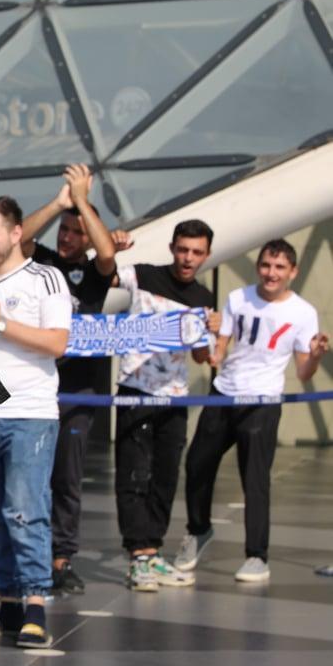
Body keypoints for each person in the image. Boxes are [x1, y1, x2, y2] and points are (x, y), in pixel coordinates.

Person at [177, 240, 327, 583]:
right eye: (265, 265)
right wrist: (205, 335)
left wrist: (317, 354)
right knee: (197, 463)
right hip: (224, 394)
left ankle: (257, 556)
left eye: (279, 267)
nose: (271, 273)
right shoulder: (238, 298)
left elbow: (304, 372)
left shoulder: (303, 312)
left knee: (255, 479)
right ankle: (199, 531)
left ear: (293, 272)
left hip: (262, 402)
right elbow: (217, 354)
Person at [0, 197, 71, 649]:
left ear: (15, 233)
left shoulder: (45, 277)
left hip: (30, 414)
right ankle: (8, 604)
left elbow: (58, 343)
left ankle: (36, 607)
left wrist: (2, 323)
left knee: (25, 512)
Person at [16, 164, 126, 596]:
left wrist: (82, 202)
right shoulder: (43, 264)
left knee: (66, 476)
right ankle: (25, 553)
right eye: (64, 230)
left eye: (76, 232)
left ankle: (61, 557)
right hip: (34, 386)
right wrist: (59, 204)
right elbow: (19, 238)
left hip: (79, 394)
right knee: (28, 476)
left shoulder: (95, 274)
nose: (67, 237)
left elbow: (108, 255)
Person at [114, 220, 216, 592]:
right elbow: (103, 274)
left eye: (197, 252)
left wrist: (210, 331)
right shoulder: (142, 275)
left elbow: (203, 356)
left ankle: (153, 551)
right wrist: (112, 246)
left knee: (165, 476)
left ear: (206, 255)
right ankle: (137, 556)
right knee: (133, 473)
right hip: (135, 390)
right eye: (183, 249)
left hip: (174, 395)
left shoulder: (203, 296)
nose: (188, 258)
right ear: (172, 248)